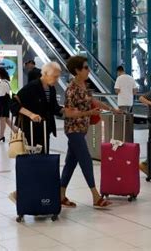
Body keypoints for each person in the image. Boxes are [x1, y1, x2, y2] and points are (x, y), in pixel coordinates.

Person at [60, 56, 116, 209]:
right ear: (77, 71)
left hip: (82, 130)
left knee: (70, 163)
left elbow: (93, 101)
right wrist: (89, 113)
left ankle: (60, 194)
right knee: (86, 160)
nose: (88, 70)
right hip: (73, 130)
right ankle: (96, 196)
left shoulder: (84, 86)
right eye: (85, 67)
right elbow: (69, 113)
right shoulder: (71, 90)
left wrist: (111, 108)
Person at [8, 62, 66, 204]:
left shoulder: (51, 89)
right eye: (55, 76)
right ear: (45, 74)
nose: (57, 80)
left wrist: (68, 111)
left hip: (44, 130)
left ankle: (39, 195)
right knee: (34, 163)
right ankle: (20, 193)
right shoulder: (32, 87)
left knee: (43, 163)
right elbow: (13, 104)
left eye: (58, 77)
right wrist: (30, 114)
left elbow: (54, 108)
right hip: (32, 131)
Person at [0, 67, 17, 143]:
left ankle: (1, 135)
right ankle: (16, 130)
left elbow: (1, 94)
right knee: (5, 119)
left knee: (2, 119)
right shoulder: (5, 82)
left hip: (3, 103)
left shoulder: (3, 83)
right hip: (4, 102)